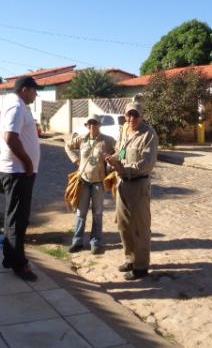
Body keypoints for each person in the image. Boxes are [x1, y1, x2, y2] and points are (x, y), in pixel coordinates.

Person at [105, 102, 158, 280]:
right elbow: (120, 152)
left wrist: (122, 167)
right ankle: (130, 259)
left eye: (135, 115)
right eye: (129, 115)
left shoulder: (148, 134)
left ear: (142, 116)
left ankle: (141, 266)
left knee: (140, 227)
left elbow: (146, 164)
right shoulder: (124, 130)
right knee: (123, 224)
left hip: (138, 184)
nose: (131, 119)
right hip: (122, 183)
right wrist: (112, 160)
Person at [0, 76, 42, 281]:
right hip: (18, 171)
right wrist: (28, 162)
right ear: (25, 89)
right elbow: (10, 137)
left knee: (12, 216)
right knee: (19, 218)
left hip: (17, 170)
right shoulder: (16, 106)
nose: (36, 94)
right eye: (35, 90)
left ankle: (9, 257)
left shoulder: (16, 105)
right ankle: (19, 263)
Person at [65, 114, 115, 254]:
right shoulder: (82, 139)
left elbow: (121, 150)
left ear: (99, 124)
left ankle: (96, 242)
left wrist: (113, 162)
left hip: (99, 181)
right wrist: (76, 160)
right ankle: (77, 241)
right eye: (89, 123)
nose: (92, 126)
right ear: (87, 125)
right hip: (83, 180)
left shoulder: (107, 140)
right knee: (81, 213)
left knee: (97, 213)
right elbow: (67, 146)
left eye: (95, 123)